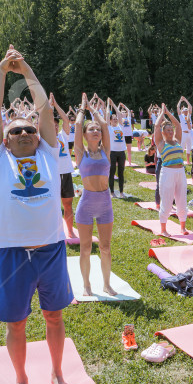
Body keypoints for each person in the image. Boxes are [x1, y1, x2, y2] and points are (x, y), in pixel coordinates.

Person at [0, 45, 73, 384]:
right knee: (16, 323)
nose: (24, 133)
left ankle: (56, 371)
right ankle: (21, 378)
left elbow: (45, 110)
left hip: (50, 250)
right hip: (12, 253)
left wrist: (27, 69)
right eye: (16, 130)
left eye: (29, 129)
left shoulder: (48, 154)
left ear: (38, 136)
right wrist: (3, 71)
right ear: (5, 140)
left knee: (54, 317)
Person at [74, 95, 115, 296]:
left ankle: (107, 284)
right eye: (92, 129)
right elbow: (77, 124)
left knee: (105, 248)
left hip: (105, 203)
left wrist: (93, 109)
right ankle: (87, 285)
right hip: (87, 204)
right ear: (84, 134)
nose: (97, 131)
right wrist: (83, 108)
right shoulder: (81, 153)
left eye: (97, 129)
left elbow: (106, 125)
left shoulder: (106, 151)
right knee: (86, 248)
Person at [153, 104, 189, 235]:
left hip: (180, 172)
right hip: (167, 173)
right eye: (167, 130)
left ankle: (183, 227)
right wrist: (161, 113)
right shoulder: (161, 143)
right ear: (163, 133)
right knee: (167, 201)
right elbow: (156, 126)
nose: (170, 131)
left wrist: (168, 113)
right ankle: (163, 229)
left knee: (182, 199)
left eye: (170, 130)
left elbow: (178, 125)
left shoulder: (177, 140)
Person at [51, 95, 76, 239]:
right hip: (52, 175)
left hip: (65, 173)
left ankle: (70, 231)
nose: (54, 126)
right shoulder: (44, 137)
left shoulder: (63, 136)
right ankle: (54, 232)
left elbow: (66, 120)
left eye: (56, 124)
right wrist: (47, 107)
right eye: (51, 124)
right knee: (52, 207)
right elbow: (39, 123)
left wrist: (55, 105)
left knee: (68, 205)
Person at [106, 100, 128, 198]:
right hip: (113, 152)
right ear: (110, 120)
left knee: (121, 172)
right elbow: (107, 115)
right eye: (113, 119)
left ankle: (121, 192)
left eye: (116, 119)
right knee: (112, 171)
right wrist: (107, 105)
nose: (115, 120)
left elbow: (119, 113)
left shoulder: (121, 127)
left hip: (121, 152)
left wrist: (113, 105)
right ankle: (111, 192)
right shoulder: (109, 128)